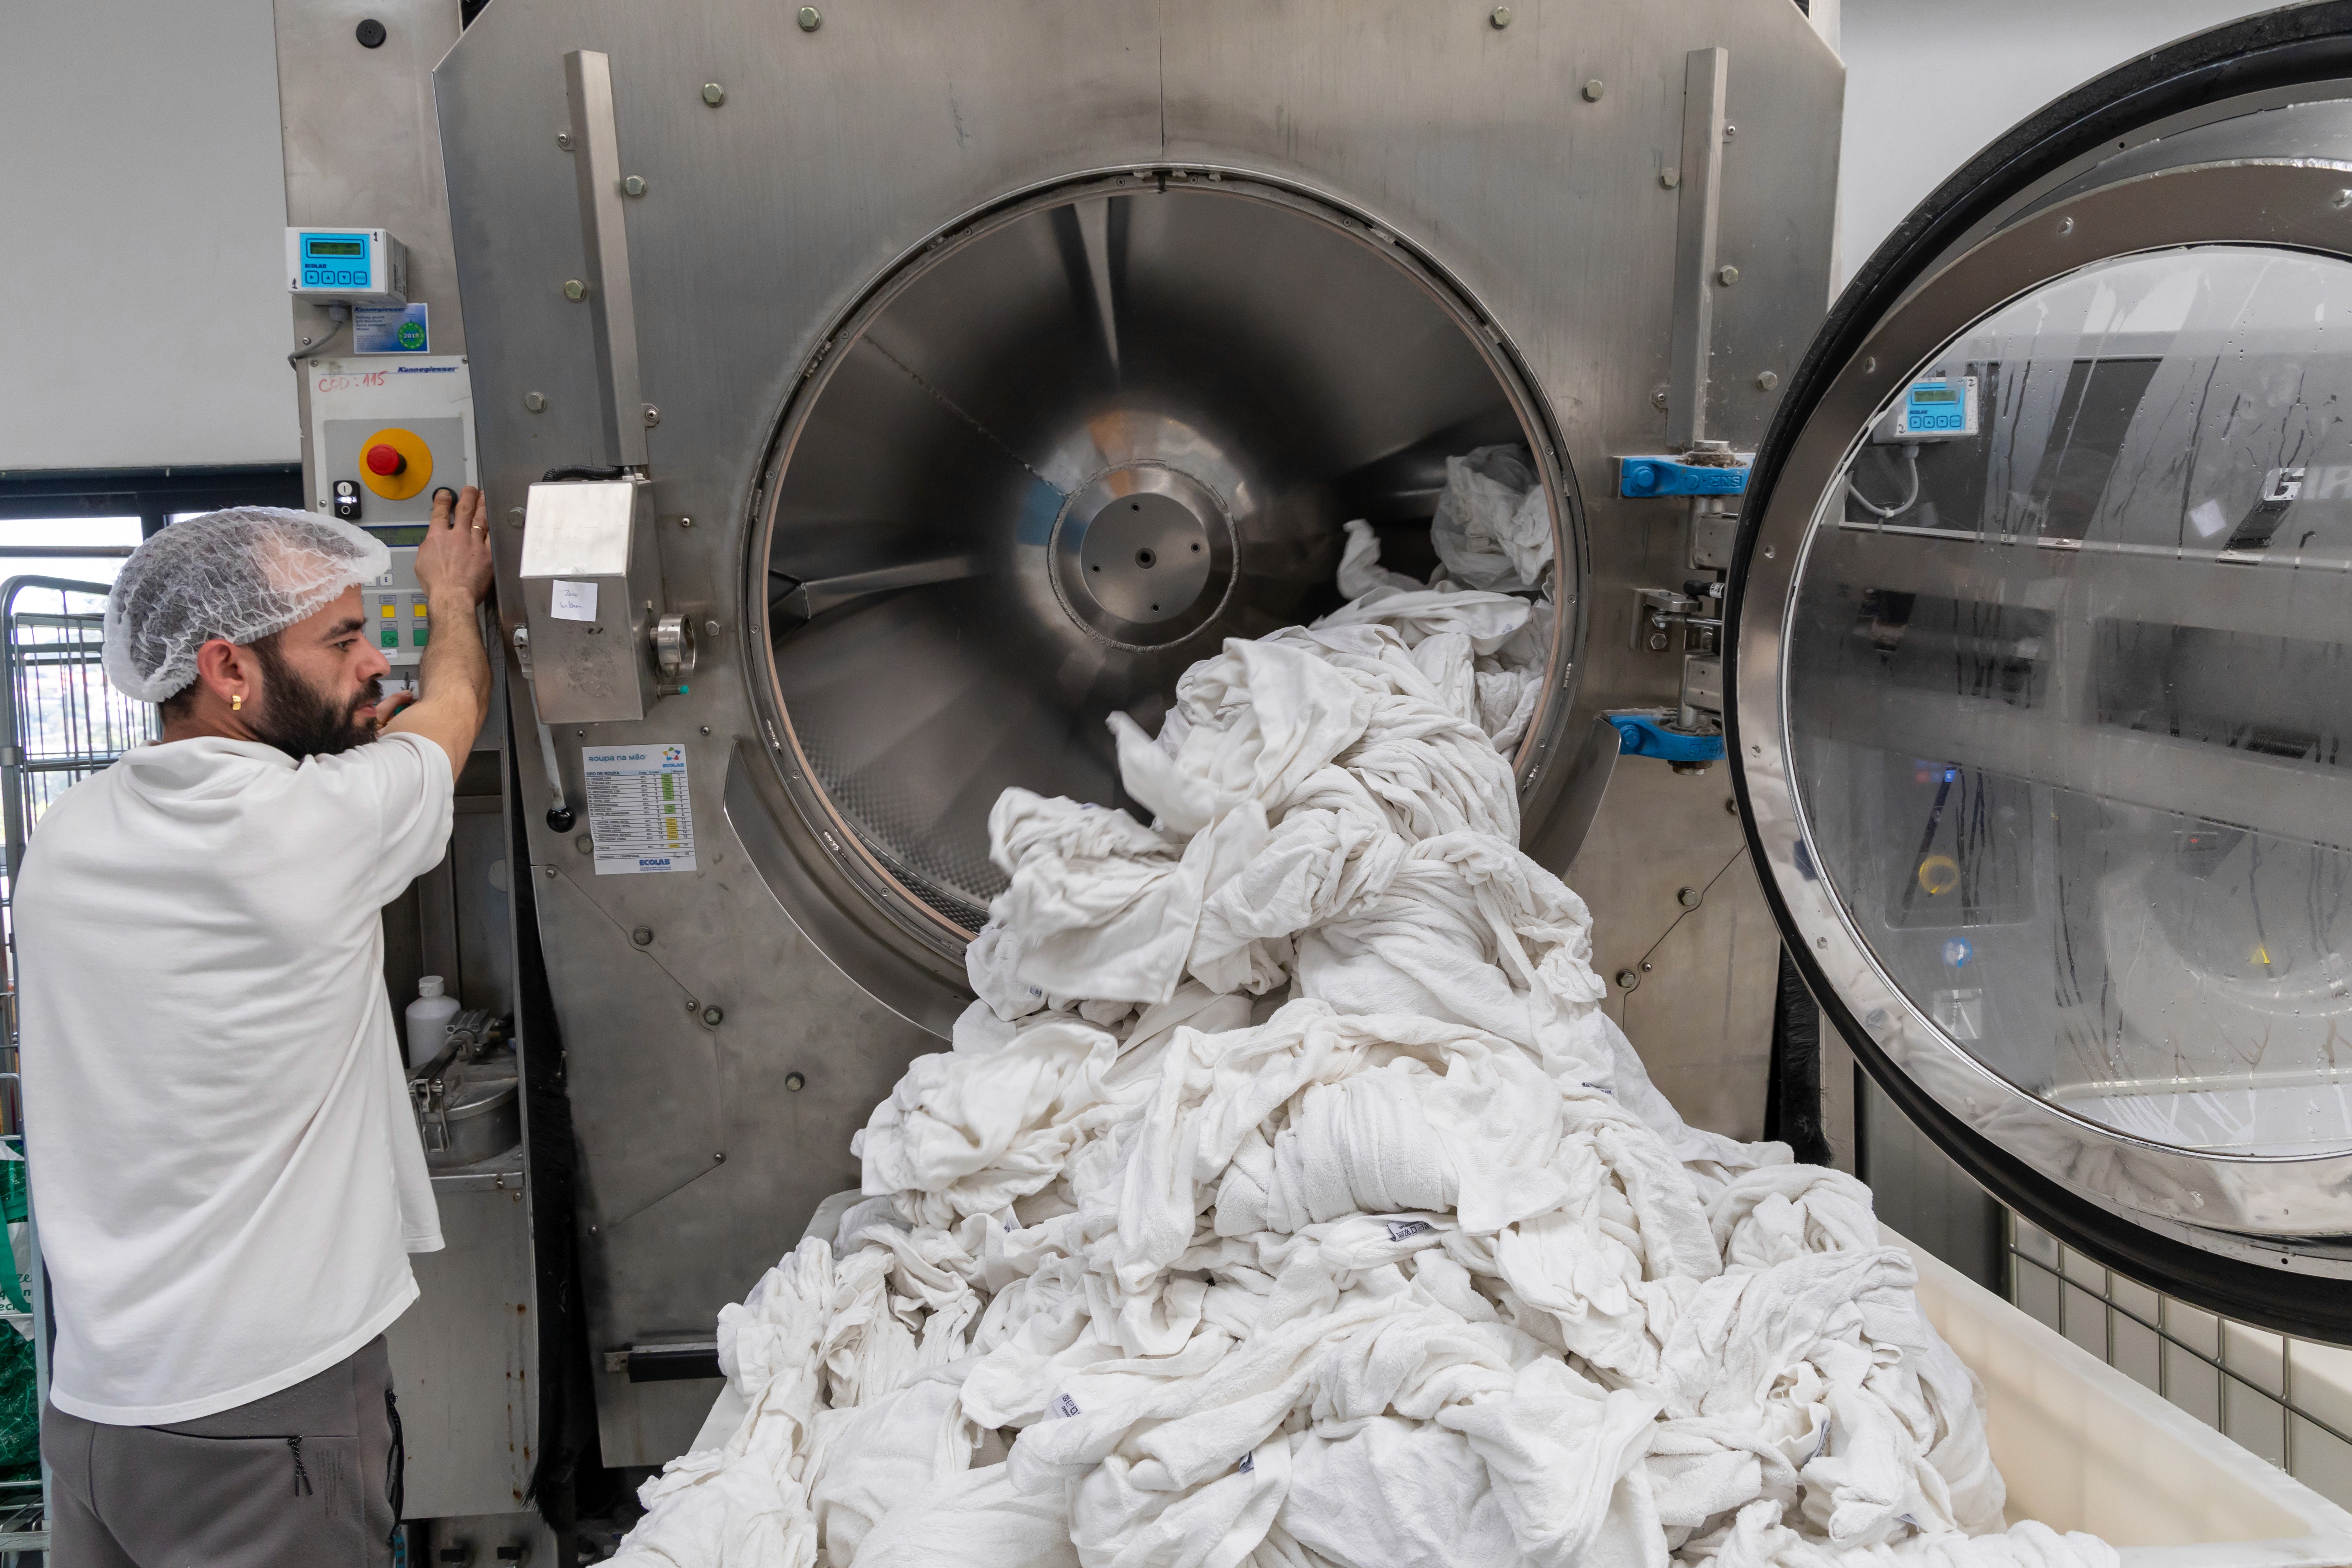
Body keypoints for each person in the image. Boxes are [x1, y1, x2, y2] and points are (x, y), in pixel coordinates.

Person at [15, 487, 496, 1566]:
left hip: (97, 1417)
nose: (375, 660)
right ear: (230, 670)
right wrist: (452, 599)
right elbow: (448, 717)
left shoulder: (68, 836)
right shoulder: (296, 831)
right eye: (344, 638)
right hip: (262, 1421)